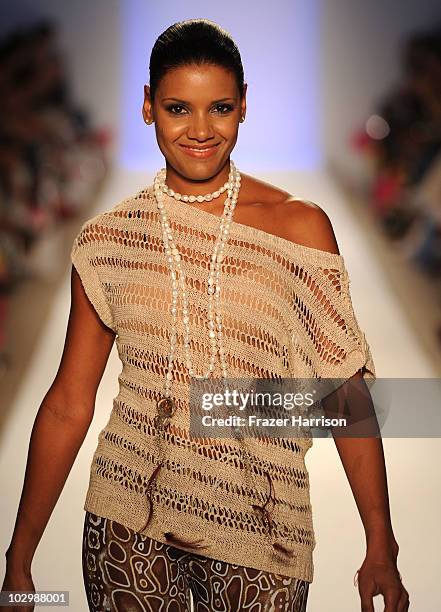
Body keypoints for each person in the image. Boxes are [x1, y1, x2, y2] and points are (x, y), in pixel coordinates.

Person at [1, 18, 410, 612]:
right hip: (126, 523)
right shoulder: (109, 241)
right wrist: (19, 556)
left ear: (244, 106)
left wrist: (380, 540)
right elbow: (69, 400)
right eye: (176, 108)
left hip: (264, 525)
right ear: (147, 107)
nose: (199, 130)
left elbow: (344, 390)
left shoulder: (300, 228)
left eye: (218, 107)